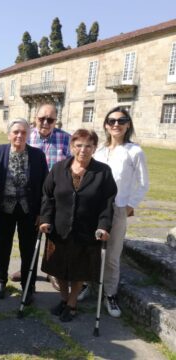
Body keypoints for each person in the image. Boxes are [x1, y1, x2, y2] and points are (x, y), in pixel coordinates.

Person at [39, 129, 117, 322]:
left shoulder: (103, 172)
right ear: (72, 146)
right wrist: (45, 219)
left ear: (94, 148)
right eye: (79, 145)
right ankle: (64, 299)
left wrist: (104, 226)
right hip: (59, 229)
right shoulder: (58, 169)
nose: (83, 150)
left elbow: (108, 202)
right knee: (59, 268)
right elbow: (47, 197)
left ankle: (72, 303)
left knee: (79, 270)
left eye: (88, 145)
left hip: (87, 231)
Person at [94, 107, 149, 318]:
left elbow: (143, 183)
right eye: (111, 121)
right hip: (95, 209)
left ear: (128, 124)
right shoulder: (99, 150)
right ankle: (89, 284)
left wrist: (129, 205)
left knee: (113, 255)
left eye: (121, 120)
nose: (116, 124)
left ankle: (110, 294)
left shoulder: (134, 151)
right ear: (106, 125)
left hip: (117, 208)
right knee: (93, 250)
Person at [0, 119, 48, 303]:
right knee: (2, 246)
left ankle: (28, 284)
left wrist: (42, 213)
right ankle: (1, 280)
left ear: (29, 135)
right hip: (3, 209)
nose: (19, 136)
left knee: (29, 248)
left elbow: (45, 187)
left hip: (28, 210)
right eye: (16, 132)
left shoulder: (37, 155)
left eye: (23, 132)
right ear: (9, 134)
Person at [27, 103, 71, 291]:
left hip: (56, 196)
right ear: (35, 119)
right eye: (41, 118)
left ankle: (52, 271)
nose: (45, 122)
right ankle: (27, 269)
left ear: (56, 121)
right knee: (29, 235)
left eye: (50, 119)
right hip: (32, 193)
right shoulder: (26, 135)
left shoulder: (66, 138)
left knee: (54, 236)